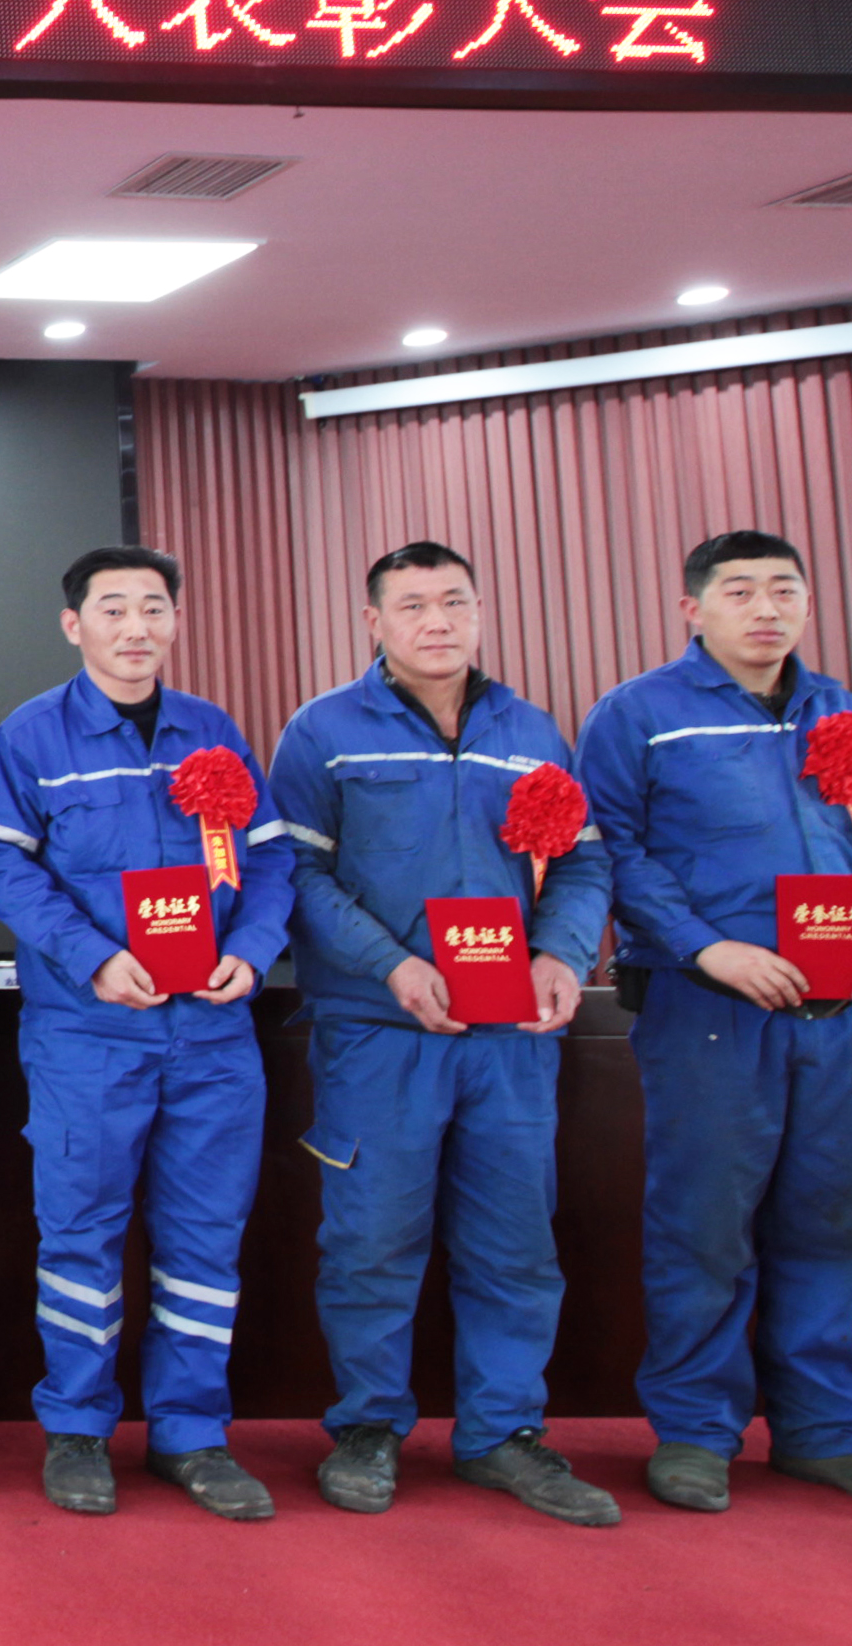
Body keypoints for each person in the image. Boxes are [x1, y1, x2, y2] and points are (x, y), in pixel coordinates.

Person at [578, 530, 852, 1520]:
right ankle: (695, 1431)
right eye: (739, 591)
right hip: (709, 1007)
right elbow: (612, 852)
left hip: (840, 1012)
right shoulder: (639, 714)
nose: (765, 609)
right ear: (692, 609)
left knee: (835, 1219)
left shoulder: (844, 713)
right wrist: (709, 949)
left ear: (807, 603)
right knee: (705, 1223)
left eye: (783, 589)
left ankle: (826, 1432)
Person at [272, 542, 620, 1526]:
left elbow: (581, 861)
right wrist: (392, 964)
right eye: (414, 605)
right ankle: (367, 1427)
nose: (437, 621)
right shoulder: (323, 731)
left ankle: (503, 1434)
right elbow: (297, 875)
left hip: (509, 1037)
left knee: (515, 1241)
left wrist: (560, 954)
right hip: (379, 1032)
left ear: (479, 612)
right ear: (373, 622)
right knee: (371, 1239)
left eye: (455, 602)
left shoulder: (531, 731)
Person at [0, 545, 296, 1521]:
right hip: (90, 1034)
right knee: (81, 1234)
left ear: (175, 621)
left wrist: (254, 949)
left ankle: (192, 1434)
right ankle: (77, 1429)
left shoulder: (213, 731)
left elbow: (271, 860)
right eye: (112, 608)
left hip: (213, 1034)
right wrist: (92, 957)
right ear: (74, 625)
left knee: (205, 1236)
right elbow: (5, 869)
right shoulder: (32, 736)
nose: (135, 626)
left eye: (153, 607)